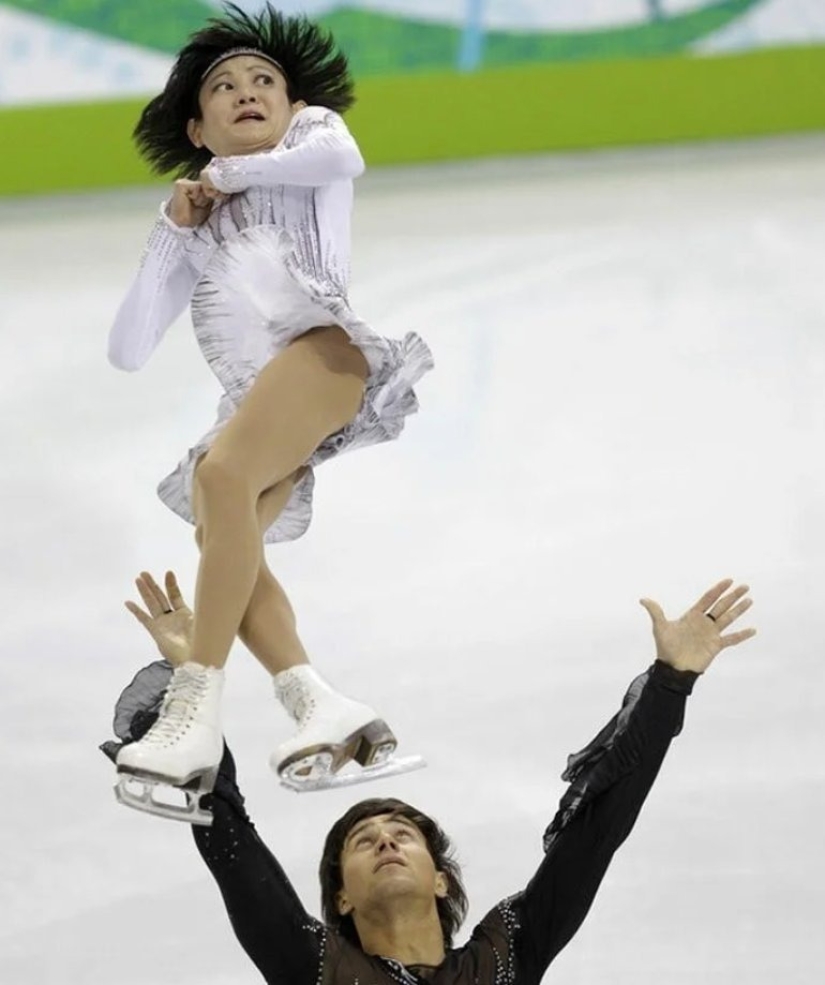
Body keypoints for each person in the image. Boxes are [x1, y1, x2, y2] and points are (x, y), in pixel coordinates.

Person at [101, 571, 755, 981]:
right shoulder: (314, 965)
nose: (386, 840)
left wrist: (670, 683)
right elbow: (230, 837)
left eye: (401, 834)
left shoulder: (506, 955)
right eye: (363, 841)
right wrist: (195, 677)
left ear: (441, 877)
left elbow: (596, 831)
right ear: (342, 897)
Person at [106, 3, 433, 809]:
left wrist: (224, 175)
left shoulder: (307, 143)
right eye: (224, 87)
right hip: (261, 398)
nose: (248, 92)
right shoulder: (196, 210)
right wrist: (172, 228)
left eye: (265, 82)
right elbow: (127, 348)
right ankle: (317, 702)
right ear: (195, 124)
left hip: (322, 355)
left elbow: (341, 152)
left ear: (290, 106)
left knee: (220, 480)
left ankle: (195, 706)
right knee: (224, 528)